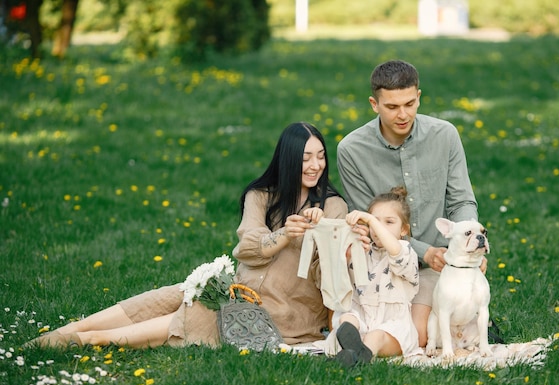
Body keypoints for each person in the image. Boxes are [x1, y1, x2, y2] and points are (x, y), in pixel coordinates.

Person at [25, 122, 349, 349]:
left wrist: (322, 235)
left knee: (199, 311)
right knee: (174, 295)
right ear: (289, 160)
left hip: (285, 315)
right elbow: (248, 247)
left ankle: (91, 340)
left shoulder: (333, 206)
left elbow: (331, 278)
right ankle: (71, 329)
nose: (315, 165)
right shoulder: (261, 195)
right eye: (306, 157)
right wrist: (283, 234)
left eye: (320, 156)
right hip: (239, 290)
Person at [336, 60, 486, 348]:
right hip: (383, 267)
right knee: (405, 330)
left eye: (409, 103)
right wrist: (423, 251)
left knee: (422, 334)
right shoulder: (352, 150)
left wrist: (467, 243)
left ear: (419, 97)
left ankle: (369, 344)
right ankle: (361, 339)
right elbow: (369, 223)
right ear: (374, 104)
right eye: (392, 107)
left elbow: (462, 200)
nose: (403, 114)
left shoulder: (445, 135)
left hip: (439, 266)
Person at [333, 186, 421, 367]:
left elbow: (395, 252)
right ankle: (351, 356)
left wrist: (372, 220)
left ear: (404, 229)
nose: (379, 228)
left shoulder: (405, 250)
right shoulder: (364, 250)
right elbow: (342, 281)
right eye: (375, 222)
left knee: (375, 336)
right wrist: (350, 255)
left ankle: (357, 359)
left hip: (393, 327)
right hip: (363, 318)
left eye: (388, 222)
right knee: (347, 318)